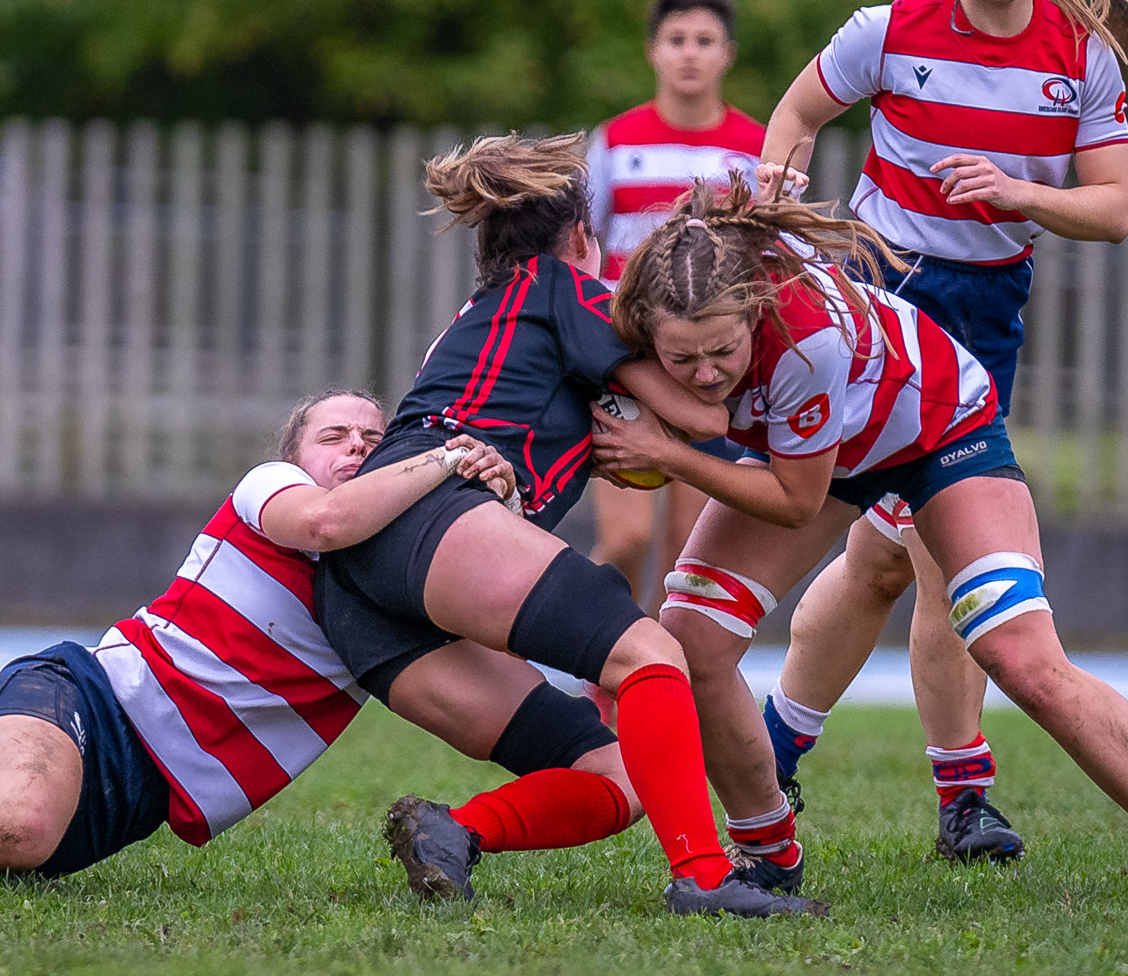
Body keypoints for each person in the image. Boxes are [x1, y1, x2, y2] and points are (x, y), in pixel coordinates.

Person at [0, 392, 646, 892]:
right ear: (296, 452)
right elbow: (332, 520)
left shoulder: (394, 606)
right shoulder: (279, 493)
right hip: (81, 701)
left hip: (121, 808)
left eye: (376, 436)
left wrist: (608, 685)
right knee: (11, 819)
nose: (358, 447)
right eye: (337, 432)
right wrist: (447, 457)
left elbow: (516, 694)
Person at [593, 180, 1128, 911]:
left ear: (755, 308)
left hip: (940, 429)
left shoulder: (805, 337)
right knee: (690, 637)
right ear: (647, 330)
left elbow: (795, 501)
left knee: (1019, 656)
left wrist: (670, 450)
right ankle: (768, 854)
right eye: (681, 359)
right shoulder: (631, 316)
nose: (705, 374)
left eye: (723, 351)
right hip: (831, 447)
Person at [750, 0, 1128, 863]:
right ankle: (959, 794)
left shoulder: (1081, 57)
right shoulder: (888, 30)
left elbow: (1115, 209)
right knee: (930, 549)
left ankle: (779, 748)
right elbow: (798, 112)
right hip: (878, 300)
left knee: (888, 557)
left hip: (986, 315)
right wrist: (773, 201)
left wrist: (1016, 192)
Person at [316, 133, 823, 918]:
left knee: (618, 775)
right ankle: (704, 877)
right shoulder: (560, 285)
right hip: (427, 511)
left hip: (358, 598)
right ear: (583, 237)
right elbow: (703, 413)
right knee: (652, 650)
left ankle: (452, 831)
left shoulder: (482, 315)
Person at [585, 0, 763, 617]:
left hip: (708, 370)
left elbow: (767, 256)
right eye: (676, 39)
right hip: (626, 360)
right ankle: (590, 645)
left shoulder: (753, 148)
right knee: (626, 538)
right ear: (653, 52)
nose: (690, 53)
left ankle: (663, 664)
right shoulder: (615, 141)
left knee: (689, 549)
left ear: (727, 55)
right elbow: (580, 244)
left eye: (704, 40)